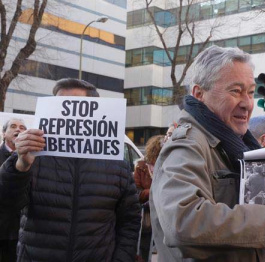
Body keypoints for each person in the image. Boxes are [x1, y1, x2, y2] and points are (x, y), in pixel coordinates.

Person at [150, 45, 265, 261]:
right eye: (236, 91)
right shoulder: (187, 144)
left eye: (250, 92)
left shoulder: (233, 144)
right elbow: (184, 221)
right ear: (199, 94)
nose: (247, 104)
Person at [0, 78, 141, 261]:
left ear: (94, 112)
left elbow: (129, 221)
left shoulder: (116, 165)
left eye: (76, 106)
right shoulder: (33, 157)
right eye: (60, 106)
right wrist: (20, 166)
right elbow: (6, 205)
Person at [0, 118, 26, 262]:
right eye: (13, 126)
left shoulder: (34, 159)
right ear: (4, 133)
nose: (18, 130)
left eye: (22, 128)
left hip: (21, 231)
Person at [134, 135, 164, 262]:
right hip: (145, 218)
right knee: (143, 248)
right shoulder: (141, 167)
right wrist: (153, 191)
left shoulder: (168, 167)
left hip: (162, 217)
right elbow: (137, 193)